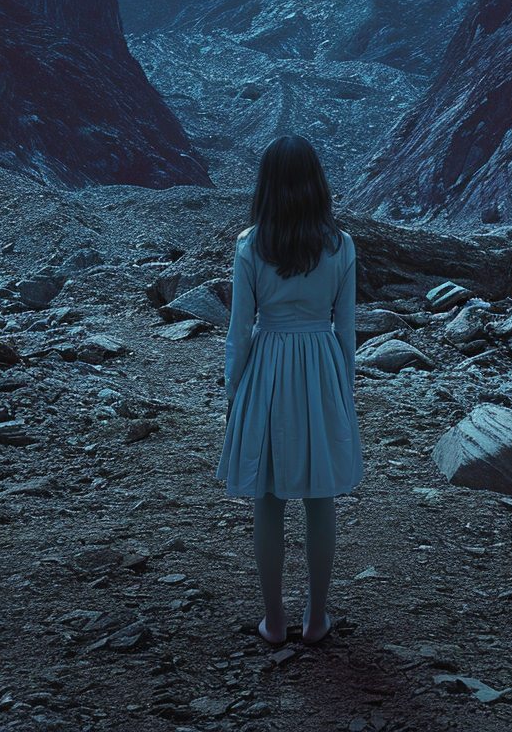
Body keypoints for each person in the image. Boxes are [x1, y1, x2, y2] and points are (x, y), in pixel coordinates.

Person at [216, 135, 364, 645]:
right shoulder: (341, 245)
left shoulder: (250, 244)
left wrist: (234, 392)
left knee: (270, 498)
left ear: (267, 185)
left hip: (268, 369)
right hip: (321, 365)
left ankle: (274, 620)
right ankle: (316, 618)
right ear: (316, 184)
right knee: (321, 497)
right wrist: (345, 393)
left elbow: (239, 332)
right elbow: (346, 332)